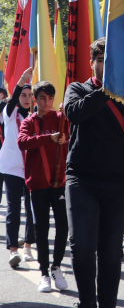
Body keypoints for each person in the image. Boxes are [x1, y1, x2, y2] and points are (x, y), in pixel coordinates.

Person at [64, 38, 124, 308]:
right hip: (82, 179)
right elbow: (75, 113)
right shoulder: (77, 88)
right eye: (100, 60)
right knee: (82, 245)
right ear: (92, 63)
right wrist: (105, 91)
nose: (105, 65)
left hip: (119, 181)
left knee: (111, 252)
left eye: (110, 61)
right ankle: (87, 303)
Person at [16, 81, 69, 292]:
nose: (46, 103)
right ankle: (45, 272)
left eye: (50, 99)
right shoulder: (29, 121)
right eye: (42, 99)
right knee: (42, 229)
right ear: (35, 101)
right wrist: (50, 138)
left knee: (63, 227)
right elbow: (22, 142)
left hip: (60, 182)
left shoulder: (61, 118)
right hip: (37, 184)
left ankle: (57, 266)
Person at [1, 67, 36, 268]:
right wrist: (23, 79)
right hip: (13, 168)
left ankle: (28, 245)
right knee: (14, 209)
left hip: (30, 168)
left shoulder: (33, 118)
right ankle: (13, 250)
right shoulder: (9, 113)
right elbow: (13, 98)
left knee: (31, 209)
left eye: (29, 95)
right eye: (23, 95)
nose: (25, 98)